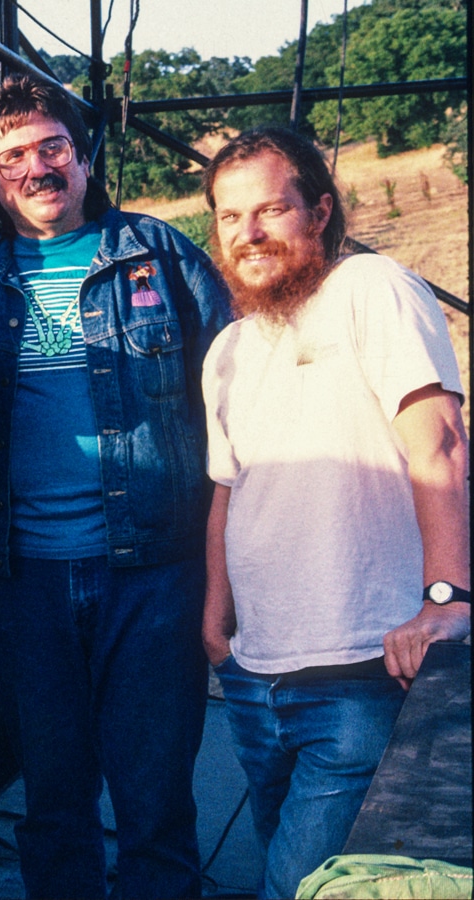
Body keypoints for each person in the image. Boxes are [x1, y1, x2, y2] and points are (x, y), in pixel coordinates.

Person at [0, 75, 233, 899]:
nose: (37, 167)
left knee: (155, 802)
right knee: (54, 805)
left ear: (85, 155)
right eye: (14, 157)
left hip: (156, 574)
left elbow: (243, 393)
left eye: (51, 146)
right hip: (22, 580)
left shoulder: (161, 253)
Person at [199, 127, 470, 899]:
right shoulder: (230, 348)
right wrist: (214, 620)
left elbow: (443, 443)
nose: (248, 234)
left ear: (320, 212)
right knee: (302, 872)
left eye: (270, 211)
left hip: (358, 667)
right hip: (255, 676)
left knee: (297, 885)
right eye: (228, 217)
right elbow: (229, 488)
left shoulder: (370, 289)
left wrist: (447, 600)